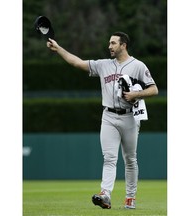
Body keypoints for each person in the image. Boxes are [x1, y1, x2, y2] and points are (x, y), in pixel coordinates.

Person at [46, 32, 158, 209]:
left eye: (113, 43)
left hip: (130, 117)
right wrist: (58, 48)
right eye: (109, 43)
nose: (109, 46)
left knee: (130, 159)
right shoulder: (103, 65)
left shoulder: (138, 66)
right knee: (109, 158)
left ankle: (130, 198)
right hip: (109, 116)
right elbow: (77, 62)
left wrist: (137, 94)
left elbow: (153, 89)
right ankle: (105, 194)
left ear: (123, 45)